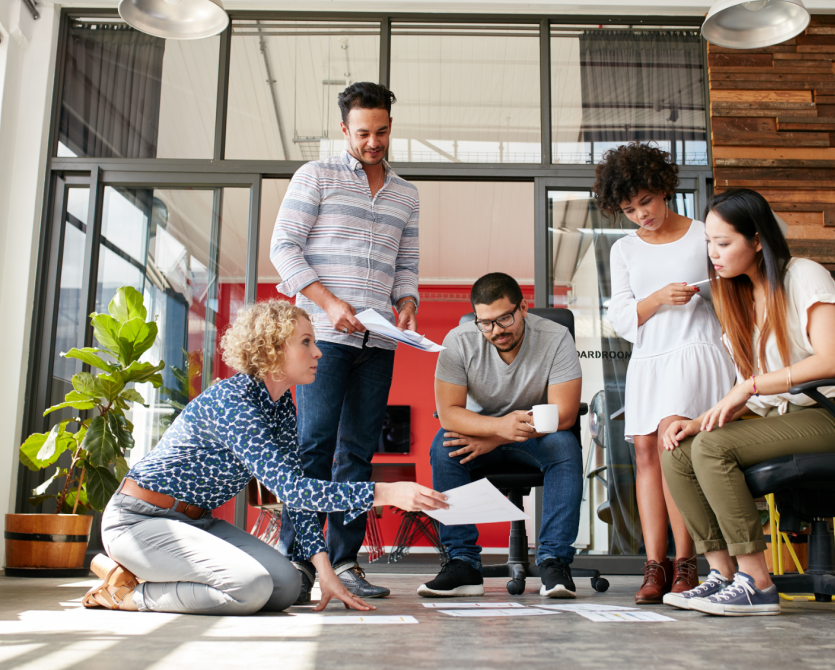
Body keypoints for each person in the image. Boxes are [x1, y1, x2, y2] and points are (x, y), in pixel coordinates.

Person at [85, 301, 447, 615]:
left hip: (197, 523)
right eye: (306, 342)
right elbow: (294, 487)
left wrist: (324, 571)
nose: (318, 352)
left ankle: (153, 574)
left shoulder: (281, 408)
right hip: (138, 520)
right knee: (251, 587)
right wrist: (383, 493)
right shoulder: (235, 401)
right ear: (272, 351)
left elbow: (294, 495)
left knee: (287, 586)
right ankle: (127, 593)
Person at [660, 188, 835, 617]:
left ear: (757, 239)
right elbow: (755, 396)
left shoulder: (804, 275)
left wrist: (751, 386)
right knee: (680, 449)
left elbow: (834, 360)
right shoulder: (739, 299)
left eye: (723, 243)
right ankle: (722, 575)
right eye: (709, 243)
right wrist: (701, 419)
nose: (714, 254)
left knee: (713, 447)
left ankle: (757, 583)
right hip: (790, 417)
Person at [270, 82, 420, 602]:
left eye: (381, 131)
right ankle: (298, 565)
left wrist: (407, 303)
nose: (373, 141)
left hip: (379, 343)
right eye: (363, 133)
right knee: (313, 448)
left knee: (357, 452)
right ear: (344, 130)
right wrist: (329, 303)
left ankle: (346, 561)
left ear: (390, 127)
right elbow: (283, 248)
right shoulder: (316, 176)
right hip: (323, 339)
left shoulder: (406, 194)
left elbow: (407, 266)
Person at [594, 143, 736, 604]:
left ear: (663, 188)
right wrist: (659, 298)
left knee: (675, 449)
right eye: (630, 209)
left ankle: (687, 563)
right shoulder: (624, 249)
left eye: (646, 202)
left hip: (696, 351)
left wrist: (703, 295)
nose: (641, 215)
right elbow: (619, 316)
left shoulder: (702, 235)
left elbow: (733, 296)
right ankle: (654, 566)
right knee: (645, 454)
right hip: (649, 358)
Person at [421, 273, 584, 598]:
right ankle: (462, 562)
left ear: (523, 307)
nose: (496, 331)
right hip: (481, 430)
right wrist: (496, 428)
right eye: (486, 323)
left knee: (565, 447)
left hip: (537, 434)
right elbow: (449, 413)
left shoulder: (556, 337)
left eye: (505, 318)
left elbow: (564, 413)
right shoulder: (458, 341)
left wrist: (499, 437)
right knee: (444, 448)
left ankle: (554, 562)